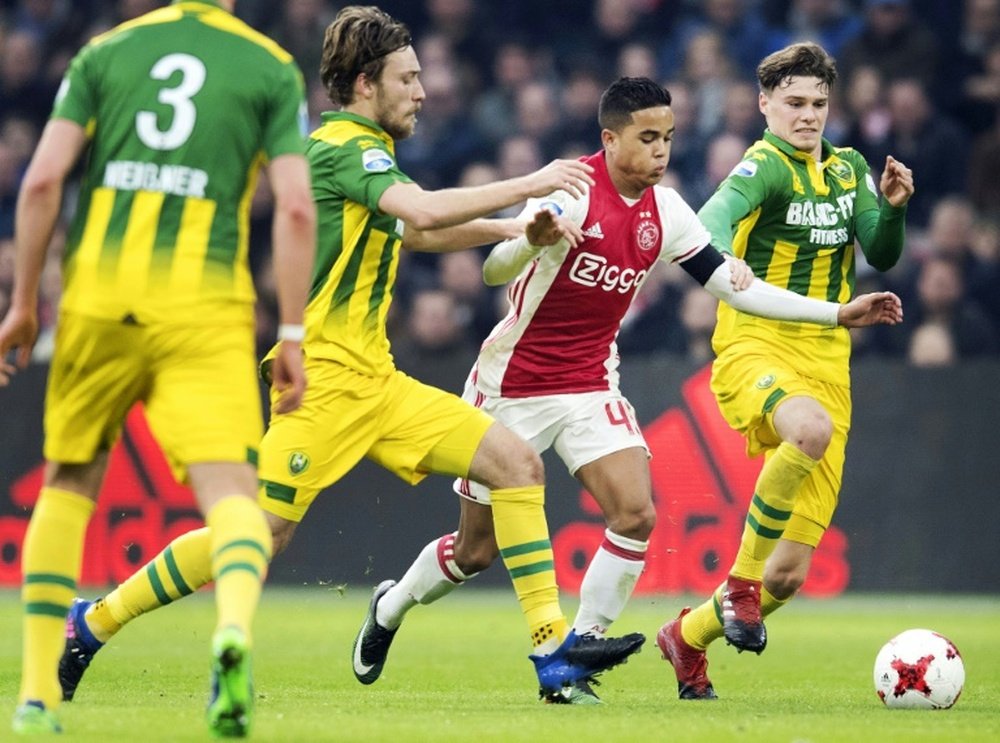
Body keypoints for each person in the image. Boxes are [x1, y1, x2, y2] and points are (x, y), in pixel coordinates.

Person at [55, 4, 645, 710]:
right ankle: (94, 619)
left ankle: (551, 649)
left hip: (381, 381)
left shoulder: (371, 154)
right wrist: (531, 184)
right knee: (255, 534)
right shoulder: (342, 144)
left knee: (515, 464)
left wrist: (520, 229)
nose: (423, 92)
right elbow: (422, 212)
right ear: (367, 83)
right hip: (326, 382)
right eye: (409, 78)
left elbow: (415, 235)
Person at [346, 76, 903, 705]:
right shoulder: (571, 193)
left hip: (589, 383)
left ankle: (577, 655)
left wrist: (835, 314)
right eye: (647, 138)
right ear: (610, 141)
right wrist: (526, 239)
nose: (662, 151)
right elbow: (492, 272)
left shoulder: (666, 211)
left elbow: (731, 286)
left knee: (636, 513)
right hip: (512, 385)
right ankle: (390, 605)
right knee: (474, 551)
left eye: (668, 137)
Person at [0, 0, 317, 736]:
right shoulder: (269, 67)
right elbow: (297, 210)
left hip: (99, 300)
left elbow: (43, 180)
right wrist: (293, 333)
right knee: (234, 494)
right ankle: (232, 632)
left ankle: (37, 693)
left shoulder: (106, 52)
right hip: (204, 305)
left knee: (68, 481)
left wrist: (22, 304)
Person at [657, 42, 914, 701]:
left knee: (790, 575)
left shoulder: (849, 167)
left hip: (830, 363)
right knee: (807, 427)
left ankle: (687, 635)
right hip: (756, 347)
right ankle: (736, 584)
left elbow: (880, 252)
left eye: (819, 104)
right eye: (795, 102)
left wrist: (892, 208)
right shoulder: (763, 166)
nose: (808, 115)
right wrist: (717, 260)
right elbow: (709, 216)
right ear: (766, 103)